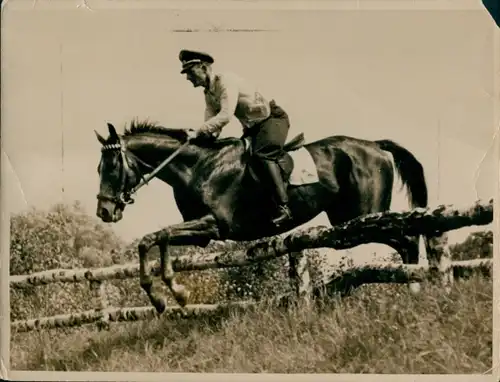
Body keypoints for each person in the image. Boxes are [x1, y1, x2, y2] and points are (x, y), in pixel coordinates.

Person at [179, 49, 293, 227]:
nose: (188, 78)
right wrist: (201, 138)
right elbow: (211, 122)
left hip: (272, 120)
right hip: (253, 127)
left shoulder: (226, 81)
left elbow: (225, 115)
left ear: (203, 67)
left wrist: (199, 130)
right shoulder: (208, 93)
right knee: (241, 162)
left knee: (262, 155)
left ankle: (284, 207)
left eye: (190, 72)